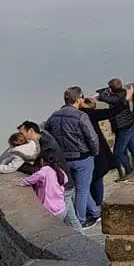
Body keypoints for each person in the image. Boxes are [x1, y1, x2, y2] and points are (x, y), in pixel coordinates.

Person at [43, 86, 101, 228]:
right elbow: (92, 137)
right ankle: (81, 220)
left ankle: (95, 211)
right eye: (82, 97)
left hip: (64, 159)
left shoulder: (55, 115)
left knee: (80, 188)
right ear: (78, 99)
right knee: (82, 190)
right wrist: (94, 152)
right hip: (82, 158)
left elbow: (47, 131)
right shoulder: (81, 116)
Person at [78, 98, 119, 226]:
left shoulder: (84, 115)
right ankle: (96, 208)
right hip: (97, 153)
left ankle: (95, 209)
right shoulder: (89, 114)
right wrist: (125, 100)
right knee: (95, 180)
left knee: (90, 183)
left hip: (89, 154)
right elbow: (112, 111)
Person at [21, 150, 80, 230]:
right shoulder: (59, 171)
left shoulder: (43, 171)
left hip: (49, 209)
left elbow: (29, 180)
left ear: (42, 160)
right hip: (61, 209)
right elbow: (65, 181)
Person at [97, 79, 134, 180]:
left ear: (112, 89)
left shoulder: (117, 98)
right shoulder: (124, 93)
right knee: (133, 148)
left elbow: (101, 97)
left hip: (124, 127)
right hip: (130, 124)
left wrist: (103, 92)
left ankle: (129, 170)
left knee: (118, 152)